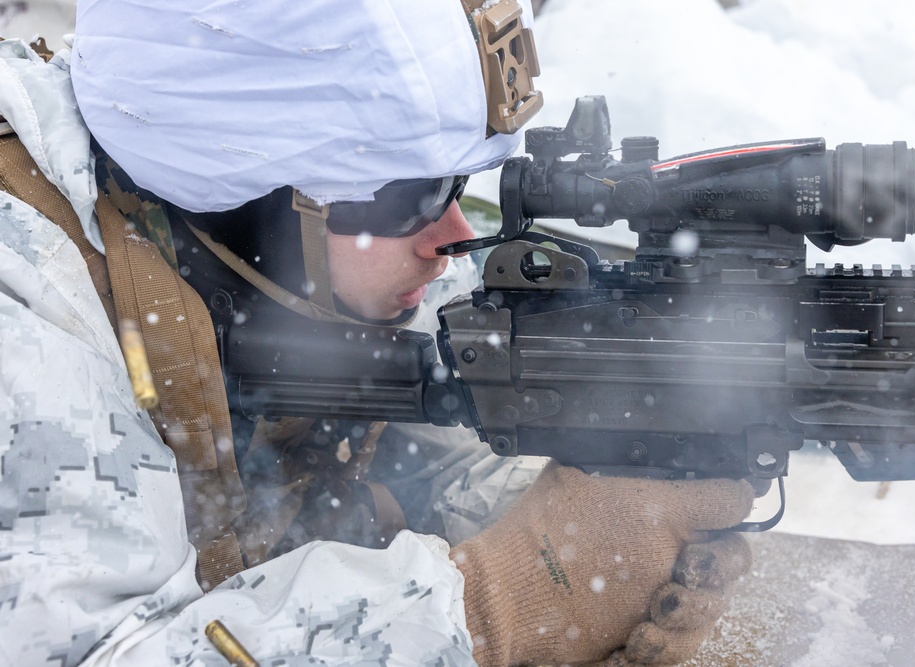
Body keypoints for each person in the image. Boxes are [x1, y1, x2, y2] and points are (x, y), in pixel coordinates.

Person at [0, 1, 755, 665]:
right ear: (248, 196)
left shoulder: (270, 264)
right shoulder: (27, 311)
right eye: (413, 195)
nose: (454, 234)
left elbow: (418, 456)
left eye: (458, 184)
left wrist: (602, 522)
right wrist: (492, 605)